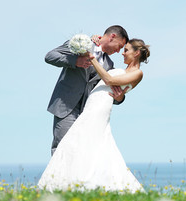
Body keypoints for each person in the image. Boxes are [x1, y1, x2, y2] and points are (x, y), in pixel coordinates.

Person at [37, 39, 150, 192]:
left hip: (98, 109)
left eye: (126, 50)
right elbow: (50, 56)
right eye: (122, 48)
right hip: (88, 104)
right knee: (79, 143)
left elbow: (109, 80)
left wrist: (92, 59)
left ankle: (68, 185)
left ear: (136, 53)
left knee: (79, 141)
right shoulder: (116, 66)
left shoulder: (137, 73)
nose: (122, 52)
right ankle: (68, 183)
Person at [45, 25, 130, 155]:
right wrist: (75, 61)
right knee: (62, 148)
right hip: (66, 105)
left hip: (86, 112)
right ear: (112, 37)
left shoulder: (109, 64)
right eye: (119, 46)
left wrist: (120, 99)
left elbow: (107, 88)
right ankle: (57, 176)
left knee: (80, 151)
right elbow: (50, 56)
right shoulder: (82, 43)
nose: (119, 51)